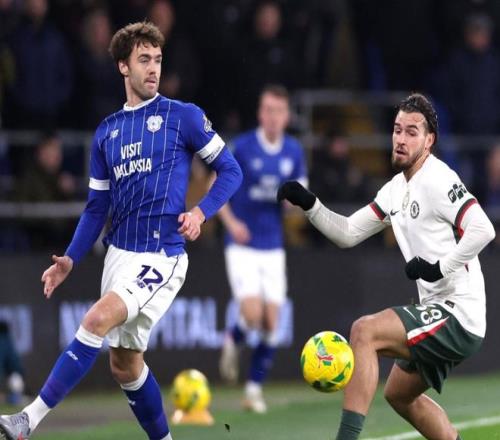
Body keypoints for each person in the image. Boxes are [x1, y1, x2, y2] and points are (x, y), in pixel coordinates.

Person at [0, 21, 242, 440]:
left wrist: (201, 213)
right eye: (144, 60)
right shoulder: (106, 133)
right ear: (123, 67)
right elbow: (97, 207)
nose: (153, 68)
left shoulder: (182, 116)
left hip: (161, 254)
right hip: (118, 255)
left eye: (158, 60)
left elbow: (230, 170)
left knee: (95, 319)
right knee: (125, 365)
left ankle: (27, 421)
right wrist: (70, 259)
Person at [278, 93, 495, 440]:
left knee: (364, 332)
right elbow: (348, 233)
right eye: (397, 130)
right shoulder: (395, 189)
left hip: (459, 313)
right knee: (398, 395)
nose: (401, 139)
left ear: (429, 141)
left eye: (412, 132)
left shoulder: (439, 179)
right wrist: (310, 204)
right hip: (438, 309)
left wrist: (439, 269)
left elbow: (483, 229)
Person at [218, 84, 307, 413]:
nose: (273, 117)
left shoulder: (294, 151)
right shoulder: (242, 147)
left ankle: (253, 390)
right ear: (260, 113)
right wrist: (231, 224)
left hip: (273, 246)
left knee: (272, 324)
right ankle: (234, 338)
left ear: (287, 116)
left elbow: (300, 198)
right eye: (268, 110)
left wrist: (292, 204)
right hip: (242, 244)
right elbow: (215, 186)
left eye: (278, 111)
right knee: (253, 315)